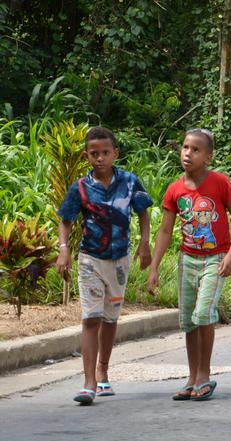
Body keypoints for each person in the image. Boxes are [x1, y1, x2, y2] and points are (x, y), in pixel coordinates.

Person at [56, 127, 152, 404]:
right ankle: (88, 382)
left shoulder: (130, 182)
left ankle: (104, 371)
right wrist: (63, 251)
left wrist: (145, 244)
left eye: (105, 153)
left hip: (120, 259)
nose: (100, 158)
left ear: (115, 154)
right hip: (90, 258)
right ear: (86, 156)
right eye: (94, 154)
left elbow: (142, 212)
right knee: (91, 318)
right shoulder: (81, 188)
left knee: (110, 319)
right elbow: (66, 220)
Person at [147, 128, 231, 401]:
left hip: (215, 258)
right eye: (186, 147)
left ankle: (204, 374)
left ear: (208, 157)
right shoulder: (175, 189)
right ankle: (191, 378)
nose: (188, 153)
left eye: (196, 149)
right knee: (189, 321)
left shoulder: (220, 183)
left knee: (203, 315)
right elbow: (165, 231)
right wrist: (154, 267)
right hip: (187, 259)